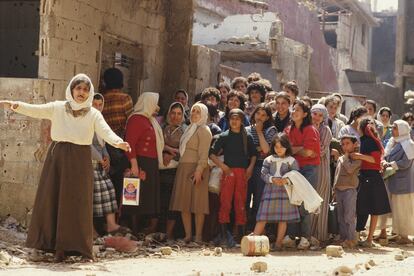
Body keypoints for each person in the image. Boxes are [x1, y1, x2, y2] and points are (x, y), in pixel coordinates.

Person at [0, 74, 130, 261]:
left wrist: (119, 143)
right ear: (71, 89)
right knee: (52, 198)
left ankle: (71, 246)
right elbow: (36, 110)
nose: (81, 93)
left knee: (76, 202)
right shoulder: (58, 107)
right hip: (58, 158)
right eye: (78, 88)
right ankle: (49, 246)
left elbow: (106, 131)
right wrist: (14, 104)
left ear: (90, 93)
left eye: (85, 89)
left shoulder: (93, 114)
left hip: (80, 160)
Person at [210, 109, 257, 247]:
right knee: (225, 202)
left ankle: (240, 237)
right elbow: (211, 154)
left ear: (242, 121)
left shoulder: (246, 136)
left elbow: (254, 154)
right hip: (228, 173)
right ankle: (224, 236)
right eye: (232, 119)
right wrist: (222, 166)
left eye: (237, 119)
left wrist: (250, 168)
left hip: (242, 173)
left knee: (241, 203)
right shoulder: (224, 136)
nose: (234, 121)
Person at [169, 103, 212, 244]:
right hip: (184, 168)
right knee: (184, 203)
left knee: (198, 204)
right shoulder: (189, 129)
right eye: (193, 111)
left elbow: (204, 154)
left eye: (197, 112)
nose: (194, 114)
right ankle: (188, 235)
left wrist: (199, 170)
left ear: (203, 114)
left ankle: (198, 236)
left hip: (196, 169)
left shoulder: (204, 130)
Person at [123, 92, 164, 234]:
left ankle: (142, 229)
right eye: (154, 103)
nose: (157, 107)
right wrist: (134, 164)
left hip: (150, 163)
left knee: (146, 196)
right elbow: (129, 143)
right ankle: (134, 229)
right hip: (140, 162)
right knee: (134, 195)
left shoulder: (148, 119)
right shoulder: (136, 119)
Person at [252, 133, 300, 250]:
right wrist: (272, 179)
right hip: (270, 190)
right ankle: (252, 241)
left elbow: (296, 175)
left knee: (282, 219)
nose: (278, 150)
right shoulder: (269, 159)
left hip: (285, 192)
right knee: (263, 216)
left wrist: (286, 180)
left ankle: (278, 243)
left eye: (281, 147)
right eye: (276, 147)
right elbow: (263, 173)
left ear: (287, 147)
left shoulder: (291, 160)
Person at [284, 100, 321, 250]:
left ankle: (305, 238)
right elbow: (285, 150)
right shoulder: (288, 130)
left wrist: (293, 149)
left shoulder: (310, 129)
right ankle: (292, 237)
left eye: (297, 110)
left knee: (305, 204)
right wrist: (298, 149)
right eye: (293, 110)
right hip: (293, 170)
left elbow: (309, 152)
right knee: (293, 202)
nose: (294, 112)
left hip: (309, 169)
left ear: (305, 114)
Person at [91, 94, 129, 237]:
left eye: (100, 104)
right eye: (95, 104)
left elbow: (103, 142)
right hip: (90, 163)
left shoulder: (100, 121)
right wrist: (101, 158)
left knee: (108, 190)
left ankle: (111, 225)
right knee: (91, 196)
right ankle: (91, 229)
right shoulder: (87, 120)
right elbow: (88, 143)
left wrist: (106, 157)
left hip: (100, 162)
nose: (98, 107)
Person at [352, 118, 391, 247]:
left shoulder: (370, 141)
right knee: (368, 208)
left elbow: (374, 160)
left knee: (371, 208)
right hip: (368, 176)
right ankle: (366, 238)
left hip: (370, 176)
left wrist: (358, 156)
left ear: (360, 128)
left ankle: (368, 239)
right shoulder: (368, 141)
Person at [101, 68, 134, 202]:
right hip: (121, 145)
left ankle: (107, 217)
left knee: (109, 182)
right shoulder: (125, 99)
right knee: (123, 181)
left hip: (105, 146)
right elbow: (131, 122)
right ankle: (122, 214)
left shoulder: (101, 99)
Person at [245, 104, 278, 228]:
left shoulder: (271, 130)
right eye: (258, 114)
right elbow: (246, 150)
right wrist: (256, 149)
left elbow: (266, 150)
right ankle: (245, 227)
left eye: (263, 115)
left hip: (262, 167)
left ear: (268, 117)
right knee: (246, 198)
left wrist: (259, 132)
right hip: (247, 167)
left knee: (259, 199)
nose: (260, 117)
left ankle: (258, 228)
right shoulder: (247, 129)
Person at [382, 120, 414, 244]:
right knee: (397, 209)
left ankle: (405, 236)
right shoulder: (393, 142)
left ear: (401, 130)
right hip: (394, 181)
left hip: (404, 183)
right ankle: (399, 234)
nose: (392, 130)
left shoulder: (409, 144)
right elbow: (387, 156)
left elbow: (406, 163)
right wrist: (385, 162)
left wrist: (390, 164)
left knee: (403, 209)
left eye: (395, 128)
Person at [159, 102, 187, 240]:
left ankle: (170, 233)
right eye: (173, 113)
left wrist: (171, 154)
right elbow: (156, 144)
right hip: (161, 171)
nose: (176, 116)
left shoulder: (185, 131)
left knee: (173, 202)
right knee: (161, 201)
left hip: (175, 172)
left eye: (179, 113)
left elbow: (186, 152)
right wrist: (166, 150)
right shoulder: (162, 128)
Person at [333, 135, 361, 248]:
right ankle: (344, 238)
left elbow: (350, 169)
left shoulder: (357, 158)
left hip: (349, 190)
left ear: (354, 145)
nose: (345, 146)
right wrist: (334, 189)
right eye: (343, 144)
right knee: (341, 217)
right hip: (339, 190)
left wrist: (344, 157)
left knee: (349, 216)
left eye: (347, 143)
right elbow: (337, 175)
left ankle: (351, 239)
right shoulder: (342, 158)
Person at [310, 104, 332, 242]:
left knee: (321, 200)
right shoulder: (307, 128)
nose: (317, 117)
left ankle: (319, 236)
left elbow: (321, 151)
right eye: (315, 114)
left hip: (322, 168)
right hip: (310, 168)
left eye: (320, 115)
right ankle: (308, 234)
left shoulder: (326, 130)